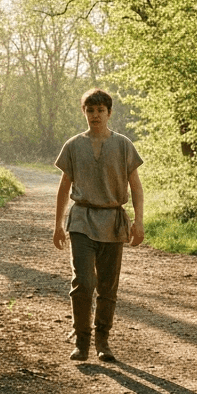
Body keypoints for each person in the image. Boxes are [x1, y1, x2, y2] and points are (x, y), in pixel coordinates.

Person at [53, 88, 144, 361]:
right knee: (83, 281)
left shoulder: (123, 145)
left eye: (100, 111)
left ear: (109, 113)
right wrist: (58, 224)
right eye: (90, 111)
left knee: (107, 286)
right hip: (81, 219)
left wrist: (138, 222)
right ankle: (81, 341)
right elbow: (64, 186)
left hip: (113, 221)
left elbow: (136, 186)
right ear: (84, 113)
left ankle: (102, 340)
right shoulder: (73, 145)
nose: (95, 116)